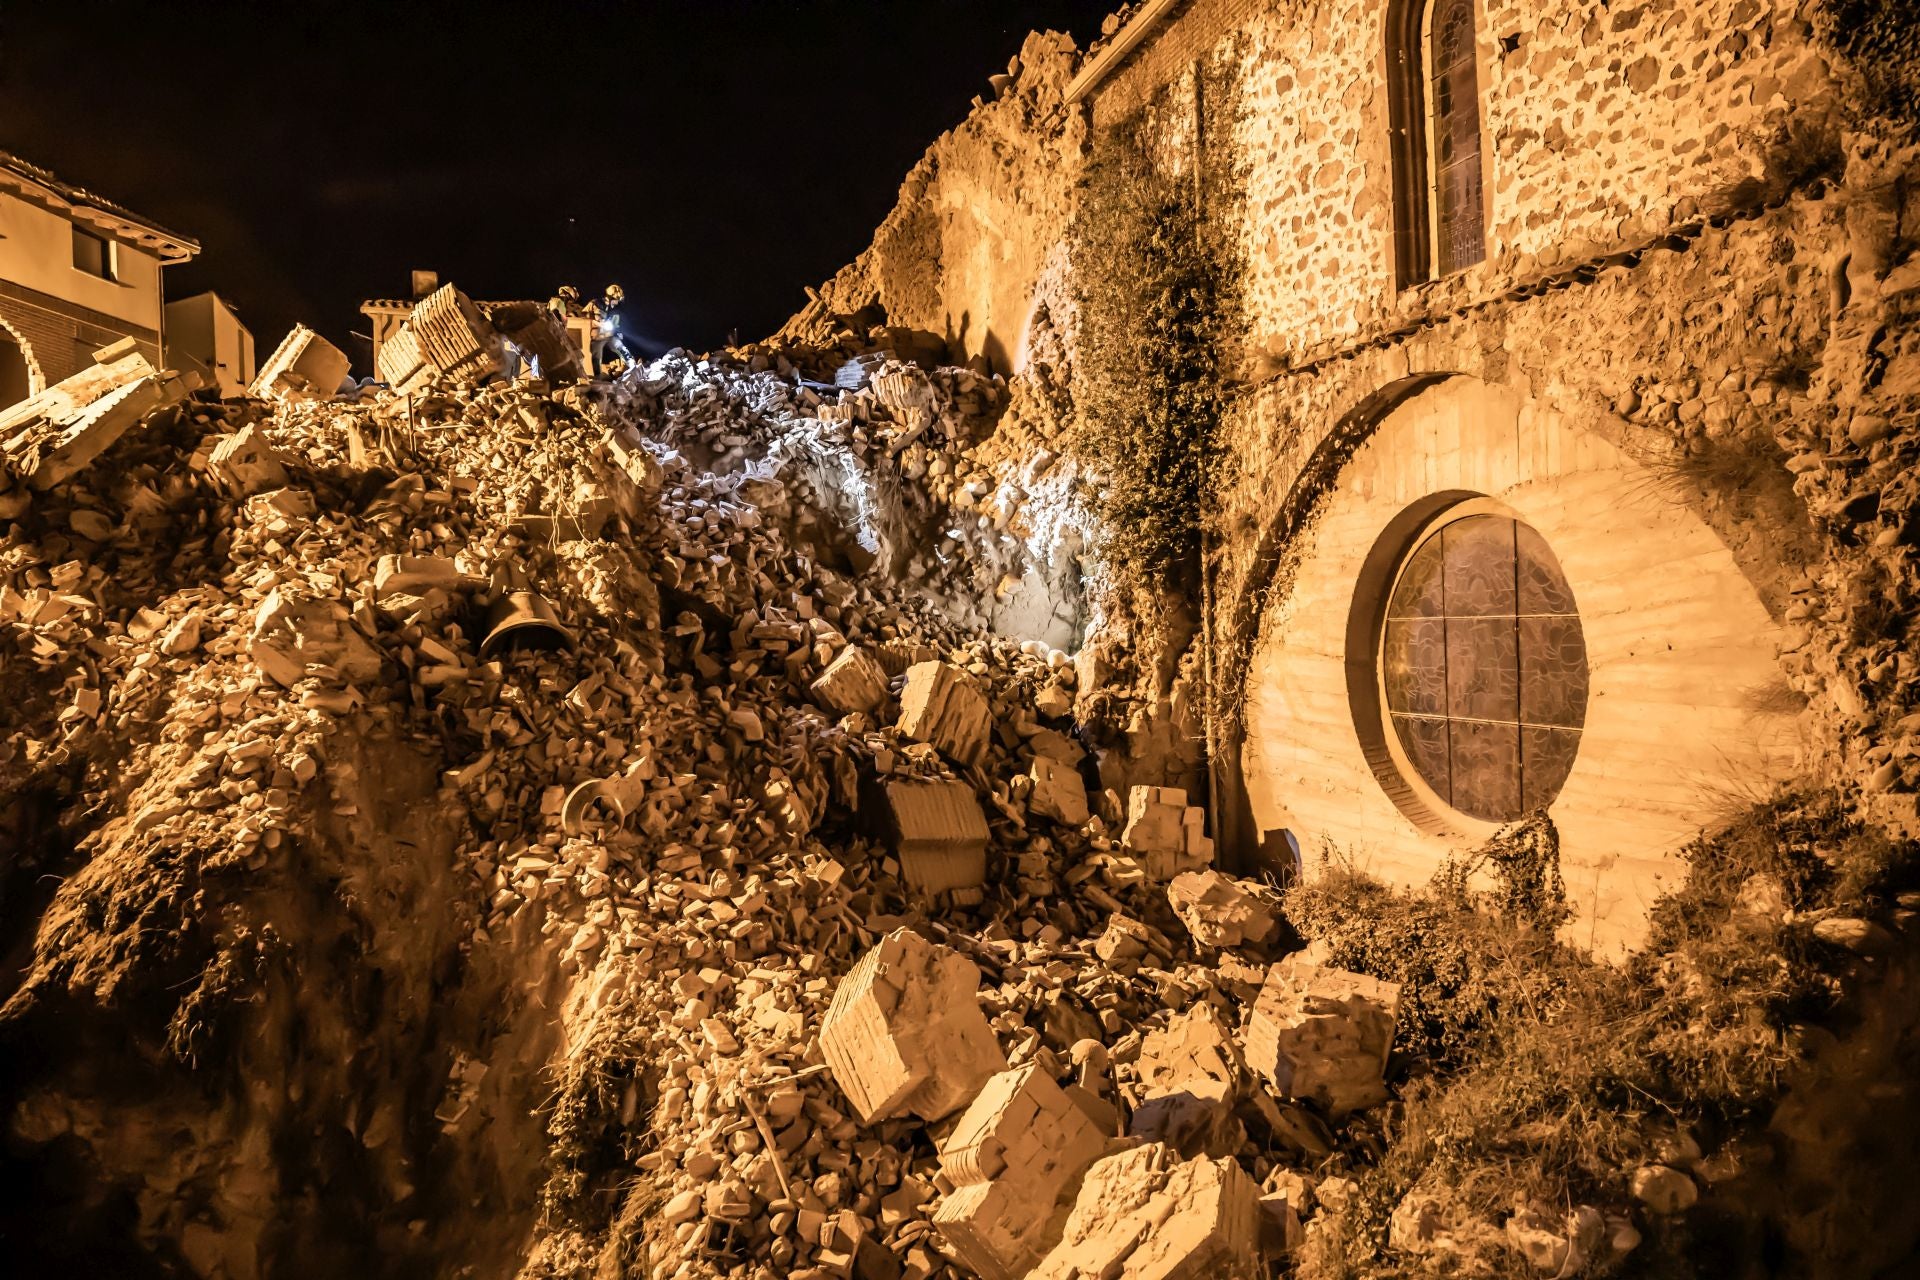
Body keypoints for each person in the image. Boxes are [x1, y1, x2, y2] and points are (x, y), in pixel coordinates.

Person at [591, 284, 633, 375]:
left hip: (608, 333)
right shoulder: (597, 303)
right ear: (610, 297)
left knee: (620, 347)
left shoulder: (612, 308)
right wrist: (600, 322)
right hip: (597, 335)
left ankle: (632, 365)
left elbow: (615, 322)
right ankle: (597, 376)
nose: (617, 302)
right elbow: (591, 318)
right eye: (616, 300)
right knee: (596, 355)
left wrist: (617, 332)